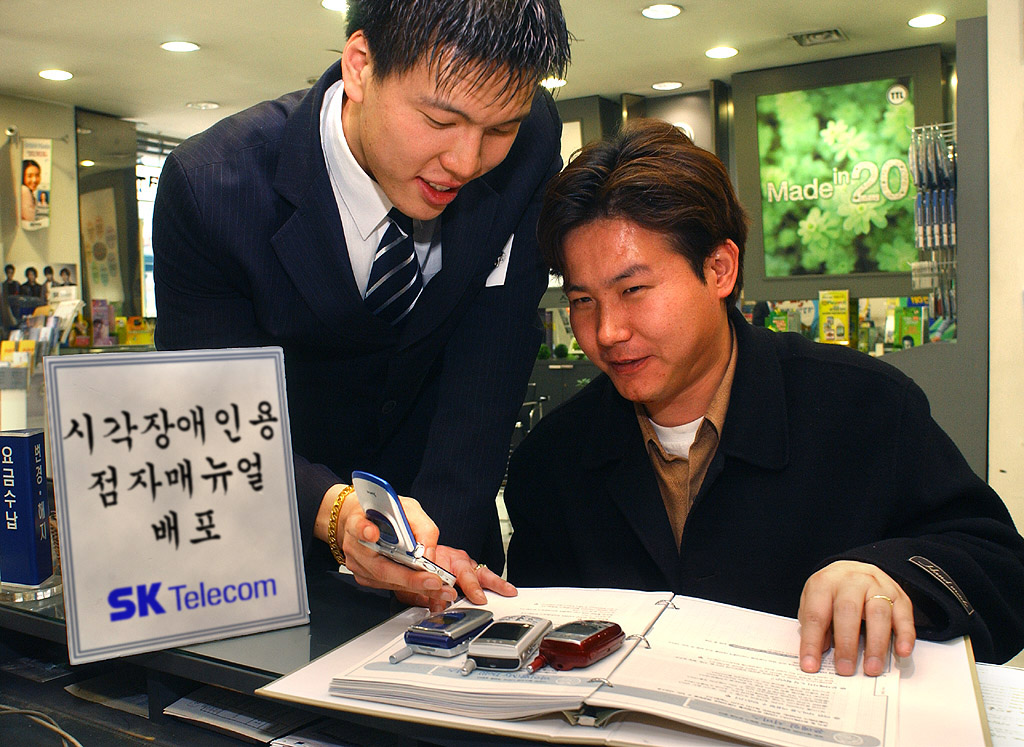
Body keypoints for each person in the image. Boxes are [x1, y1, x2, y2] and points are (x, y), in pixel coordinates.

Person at [504, 119, 1024, 675]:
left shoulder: (864, 407)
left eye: (633, 290)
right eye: (582, 301)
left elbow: (1002, 570)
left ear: (719, 268)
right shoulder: (551, 461)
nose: (606, 332)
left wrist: (890, 575)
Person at [153, 0, 571, 611]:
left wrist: (435, 556)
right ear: (359, 65)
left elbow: (492, 361)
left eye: (499, 129)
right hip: (274, 546)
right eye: (438, 120)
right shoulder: (212, 187)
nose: (466, 163)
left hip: (450, 547)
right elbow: (215, 419)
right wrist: (334, 511)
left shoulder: (530, 144)